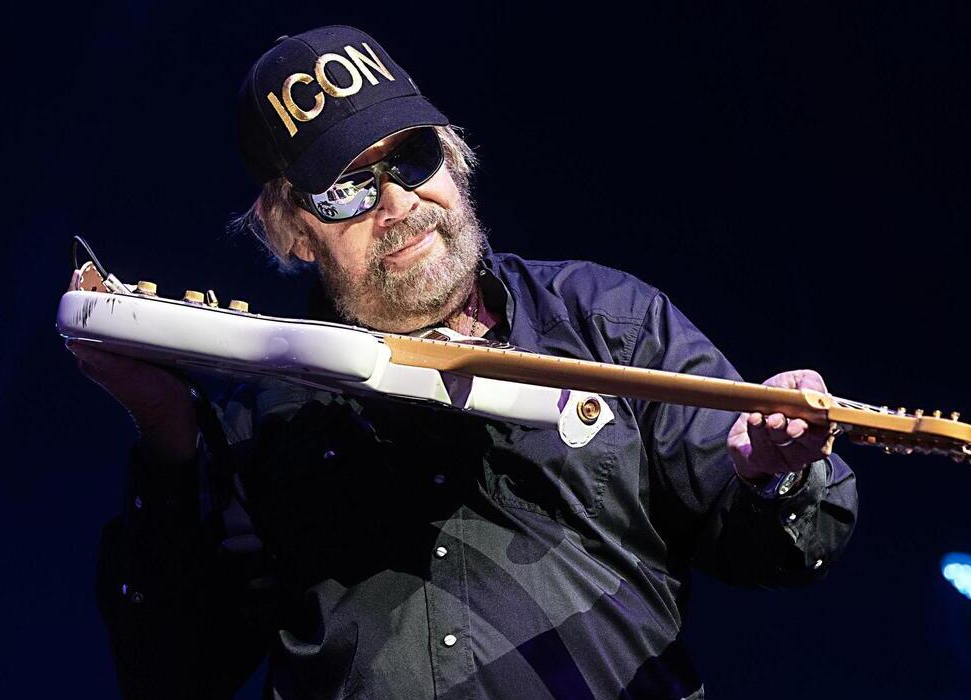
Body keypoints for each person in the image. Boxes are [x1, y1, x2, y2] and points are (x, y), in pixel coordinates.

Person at [67, 25, 858, 700]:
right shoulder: (261, 416)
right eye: (347, 189)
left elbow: (793, 545)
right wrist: (163, 427)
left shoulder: (607, 320)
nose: (397, 203)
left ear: (452, 158)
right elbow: (170, 672)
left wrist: (777, 476)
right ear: (293, 231)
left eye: (412, 158)